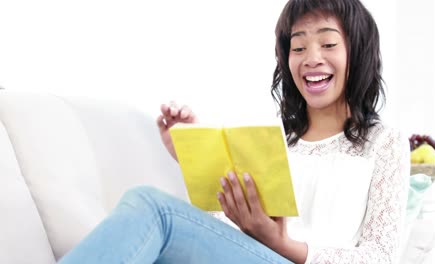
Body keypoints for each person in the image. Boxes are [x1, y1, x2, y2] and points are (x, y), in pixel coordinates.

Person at [59, 0, 410, 263]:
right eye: (298, 46)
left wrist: (283, 245)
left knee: (153, 208)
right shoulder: (272, 142)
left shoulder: (384, 144)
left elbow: (382, 256)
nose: (310, 58)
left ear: (359, 52)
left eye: (328, 44)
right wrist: (190, 155)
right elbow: (221, 232)